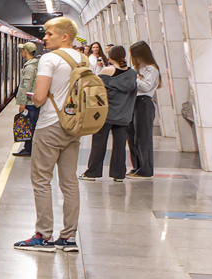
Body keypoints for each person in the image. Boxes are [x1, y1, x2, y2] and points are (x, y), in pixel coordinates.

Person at [15, 17, 85, 252]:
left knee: (41, 180)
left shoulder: (49, 58)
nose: (44, 38)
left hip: (50, 125)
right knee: (69, 182)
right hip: (73, 125)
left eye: (49, 34)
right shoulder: (83, 59)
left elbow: (40, 97)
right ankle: (68, 237)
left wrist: (33, 96)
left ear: (64, 36)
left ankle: (43, 235)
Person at [80, 44, 137, 183]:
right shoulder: (132, 73)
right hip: (124, 115)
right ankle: (118, 174)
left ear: (110, 56)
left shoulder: (106, 71)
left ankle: (92, 172)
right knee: (120, 146)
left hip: (106, 113)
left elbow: (96, 88)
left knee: (99, 143)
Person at [127, 40, 161, 178]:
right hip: (133, 102)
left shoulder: (151, 69)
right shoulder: (136, 68)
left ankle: (145, 169)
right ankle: (137, 166)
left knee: (143, 137)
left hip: (144, 103)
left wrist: (133, 78)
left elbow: (146, 87)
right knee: (133, 137)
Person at [16, 41, 39, 157]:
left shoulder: (30, 67)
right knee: (31, 124)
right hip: (32, 101)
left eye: (22, 50)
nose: (21, 52)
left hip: (30, 102)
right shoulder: (35, 64)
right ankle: (29, 148)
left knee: (29, 125)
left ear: (26, 51)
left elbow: (26, 85)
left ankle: (28, 149)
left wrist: (22, 103)